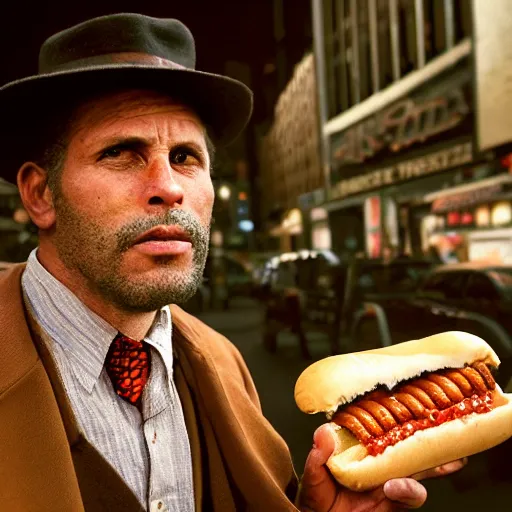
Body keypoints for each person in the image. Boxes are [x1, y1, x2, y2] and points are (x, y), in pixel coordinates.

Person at [0, 13, 465, 512]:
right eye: (121, 153)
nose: (170, 187)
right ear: (40, 194)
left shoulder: (223, 361)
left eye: (186, 158)